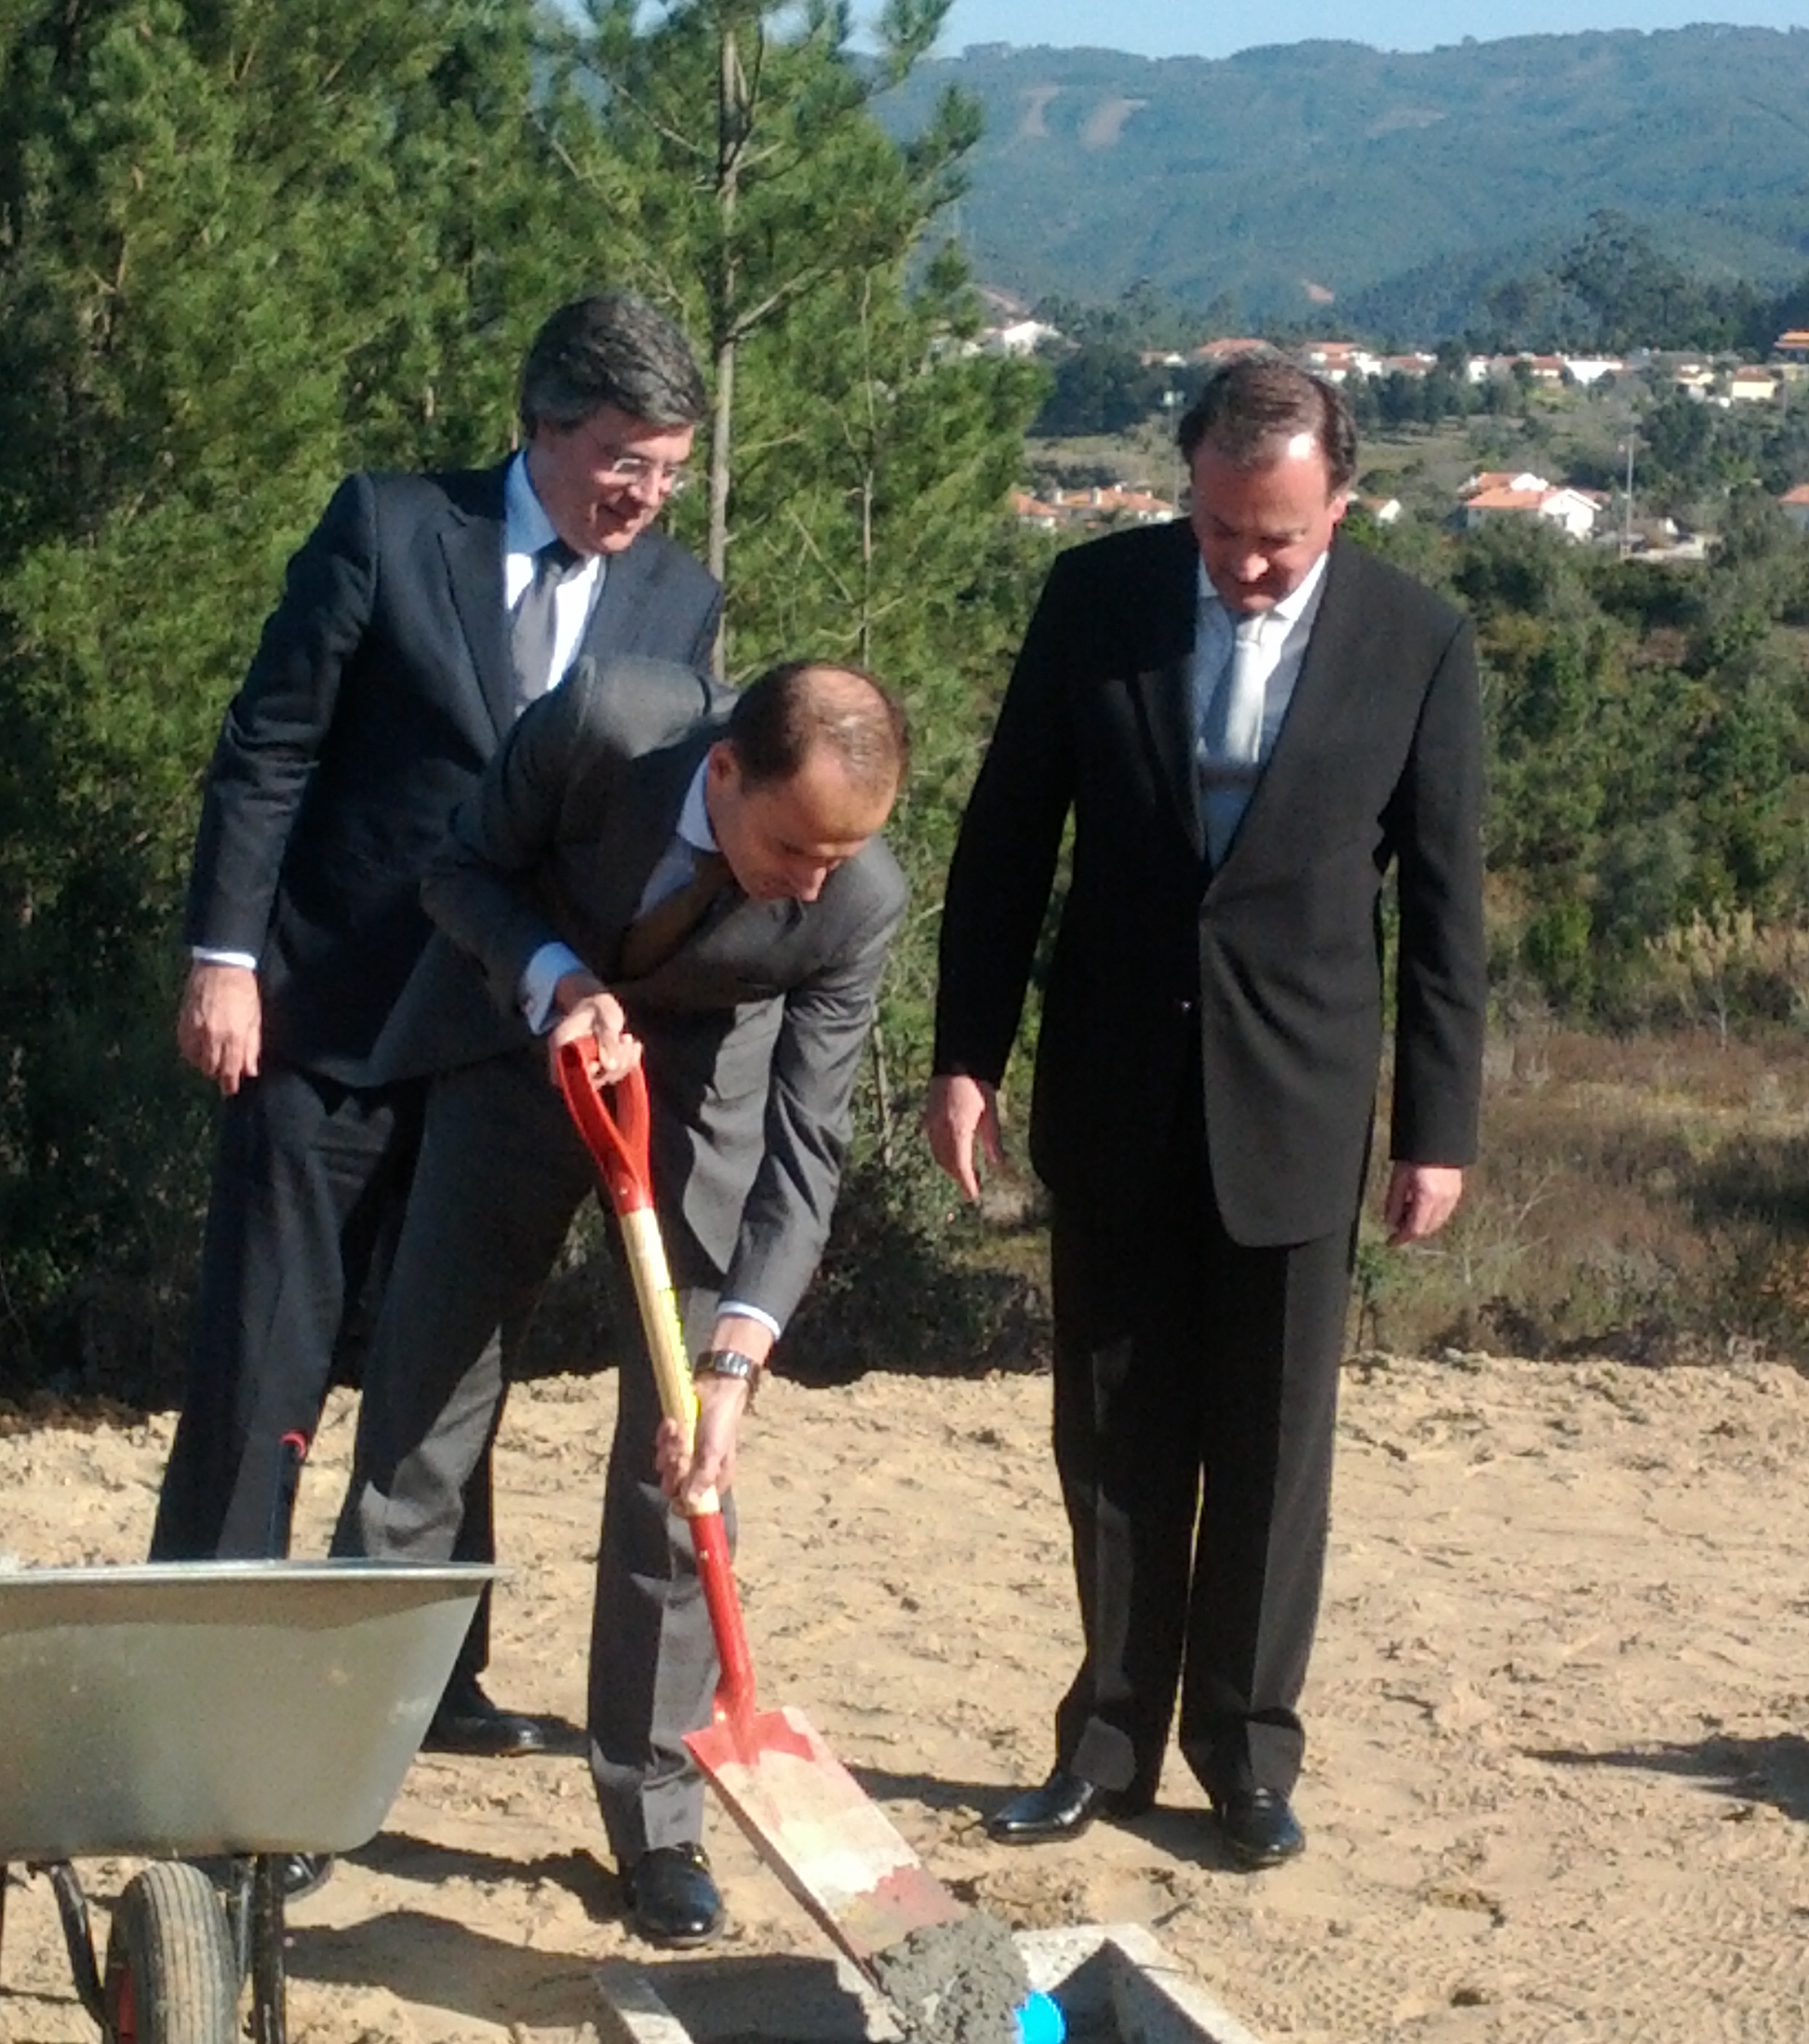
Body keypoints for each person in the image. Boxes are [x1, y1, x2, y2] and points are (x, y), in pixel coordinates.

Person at [924, 353, 1485, 1871]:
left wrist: (1440, 1126)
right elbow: (1004, 841)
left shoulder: (1420, 641)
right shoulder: (1095, 596)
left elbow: (1445, 909)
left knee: (1273, 1447)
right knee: (1110, 1439)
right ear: (1189, 486)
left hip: (1300, 1102)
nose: (1244, 564)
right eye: (1223, 528)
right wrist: (964, 1051)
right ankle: (1103, 1741)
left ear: (1341, 506)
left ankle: (1244, 1754)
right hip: (1115, 1085)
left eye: (1279, 537)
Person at [151, 291, 721, 1768]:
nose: (641, 497)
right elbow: (268, 746)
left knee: (444, 1366)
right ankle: (203, 1664)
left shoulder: (680, 600)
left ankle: (431, 1678)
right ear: (542, 421)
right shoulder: (391, 529)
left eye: (665, 471)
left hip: (503, 1039)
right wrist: (225, 956)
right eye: (619, 460)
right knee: (266, 1358)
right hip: (321, 1013)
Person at [331, 654, 908, 1946]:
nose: (814, 882)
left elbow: (806, 1153)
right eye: (794, 846)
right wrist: (555, 979)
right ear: (723, 773)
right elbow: (457, 872)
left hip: (700, 1111)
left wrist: (739, 1362)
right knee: (420, 1422)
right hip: (516, 1055)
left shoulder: (856, 899)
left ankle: (656, 1822)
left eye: (841, 857)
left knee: (680, 1473)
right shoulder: (604, 727)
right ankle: (324, 1787)